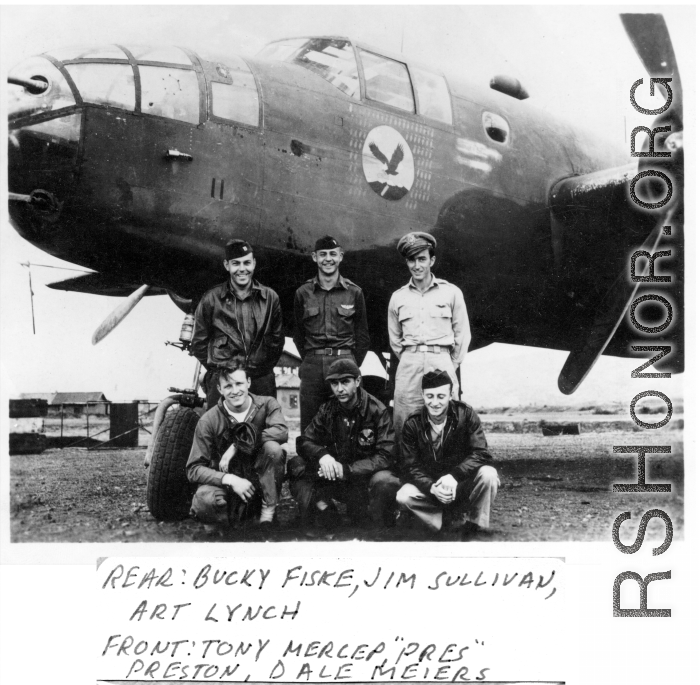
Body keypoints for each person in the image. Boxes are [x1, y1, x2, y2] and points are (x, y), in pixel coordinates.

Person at [290, 358, 401, 531]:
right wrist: (323, 456)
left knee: (385, 480)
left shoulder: (377, 410)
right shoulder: (327, 409)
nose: (340, 389)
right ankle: (323, 509)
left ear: (357, 381)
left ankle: (377, 521)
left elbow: (386, 455)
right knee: (296, 465)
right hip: (335, 477)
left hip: (362, 479)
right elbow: (304, 441)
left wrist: (348, 469)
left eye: (345, 382)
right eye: (334, 383)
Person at [396, 370, 498, 538]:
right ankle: (440, 521)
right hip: (431, 489)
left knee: (489, 474)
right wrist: (432, 487)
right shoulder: (412, 423)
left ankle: (473, 525)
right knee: (404, 496)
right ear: (422, 395)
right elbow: (409, 466)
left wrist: (454, 475)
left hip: (460, 484)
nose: (435, 402)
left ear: (451, 395)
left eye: (440, 396)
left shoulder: (466, 414)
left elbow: (481, 453)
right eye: (430, 396)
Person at [388, 231, 470, 439]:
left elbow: (462, 334)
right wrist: (410, 358)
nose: (417, 266)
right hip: (409, 363)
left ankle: (446, 469)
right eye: (411, 260)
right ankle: (407, 469)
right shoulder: (398, 298)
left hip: (441, 359)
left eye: (422, 259)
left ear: (431, 260)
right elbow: (395, 340)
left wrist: (450, 364)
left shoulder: (451, 293)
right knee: (405, 417)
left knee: (445, 418)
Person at [186, 363, 288, 530]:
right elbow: (193, 469)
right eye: (228, 386)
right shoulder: (208, 420)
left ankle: (267, 518)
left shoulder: (267, 404)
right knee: (204, 501)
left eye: (239, 383)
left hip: (258, 482)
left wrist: (237, 444)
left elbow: (281, 432)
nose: (235, 391)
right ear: (219, 389)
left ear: (248, 382)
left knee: (273, 449)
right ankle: (221, 526)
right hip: (226, 484)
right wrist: (230, 480)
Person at [191, 239, 284, 408]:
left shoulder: (271, 298)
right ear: (227, 265)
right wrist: (221, 370)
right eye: (236, 264)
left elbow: (276, 343)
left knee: (262, 432)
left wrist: (257, 371)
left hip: (260, 382)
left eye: (247, 263)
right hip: (224, 382)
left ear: (254, 264)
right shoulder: (211, 299)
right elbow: (198, 344)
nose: (242, 269)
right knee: (221, 432)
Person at [293, 235, 370, 431]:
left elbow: (362, 337)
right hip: (313, 366)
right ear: (314, 257)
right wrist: (311, 359)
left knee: (347, 423)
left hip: (344, 361)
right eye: (323, 254)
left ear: (341, 256)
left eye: (333, 254)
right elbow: (298, 335)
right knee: (310, 425)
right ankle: (312, 462)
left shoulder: (354, 293)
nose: (328, 259)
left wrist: (350, 362)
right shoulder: (303, 293)